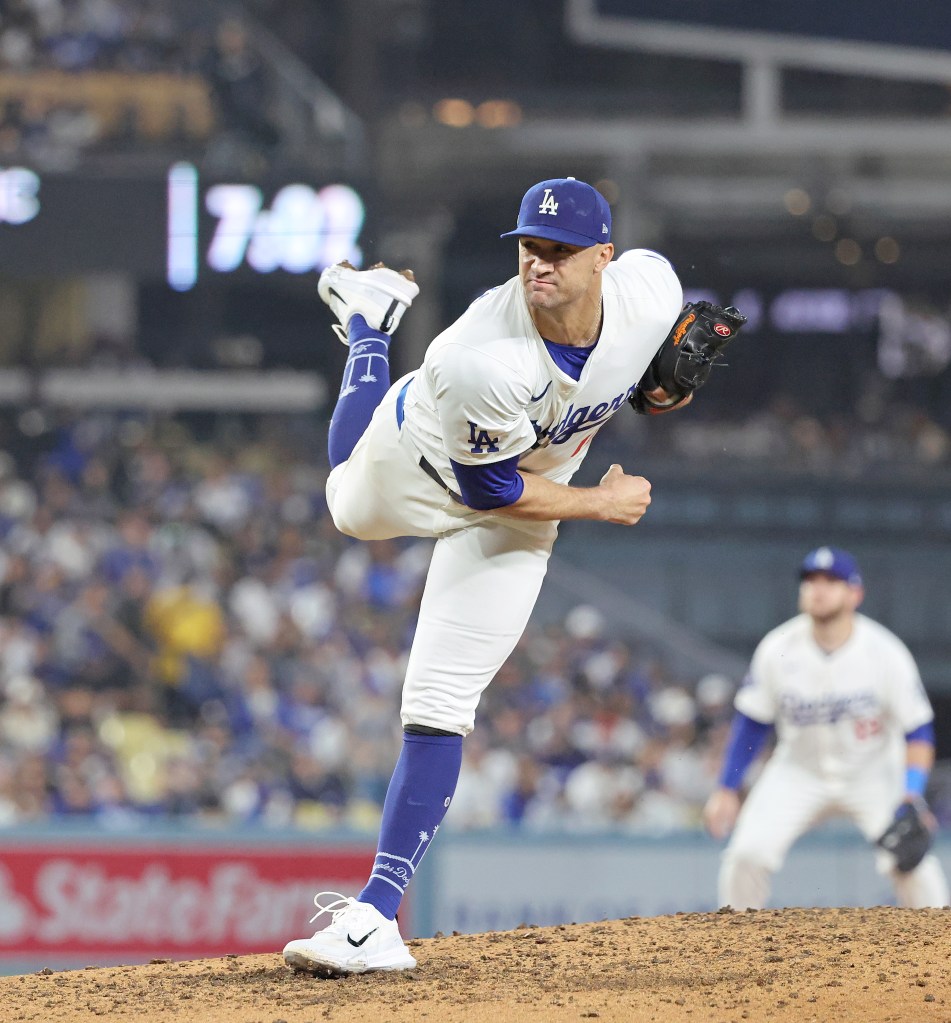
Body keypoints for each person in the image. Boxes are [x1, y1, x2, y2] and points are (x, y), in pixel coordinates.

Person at [282, 176, 697, 975]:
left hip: (523, 507)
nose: (538, 263)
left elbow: (661, 348)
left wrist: (659, 378)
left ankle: (374, 916)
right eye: (528, 248)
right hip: (428, 460)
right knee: (342, 501)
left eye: (559, 251)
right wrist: (600, 503)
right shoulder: (477, 358)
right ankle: (370, 323)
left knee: (440, 700)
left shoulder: (648, 289)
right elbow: (496, 490)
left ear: (603, 258)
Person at [703, 545, 949, 911]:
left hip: (872, 771)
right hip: (798, 770)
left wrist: (911, 793)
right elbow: (752, 724)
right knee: (746, 856)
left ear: (855, 593)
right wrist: (727, 787)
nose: (818, 589)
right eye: (811, 580)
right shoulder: (777, 648)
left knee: (912, 863)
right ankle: (736, 954)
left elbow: (918, 733)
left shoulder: (885, 652)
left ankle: (941, 955)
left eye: (831, 581)